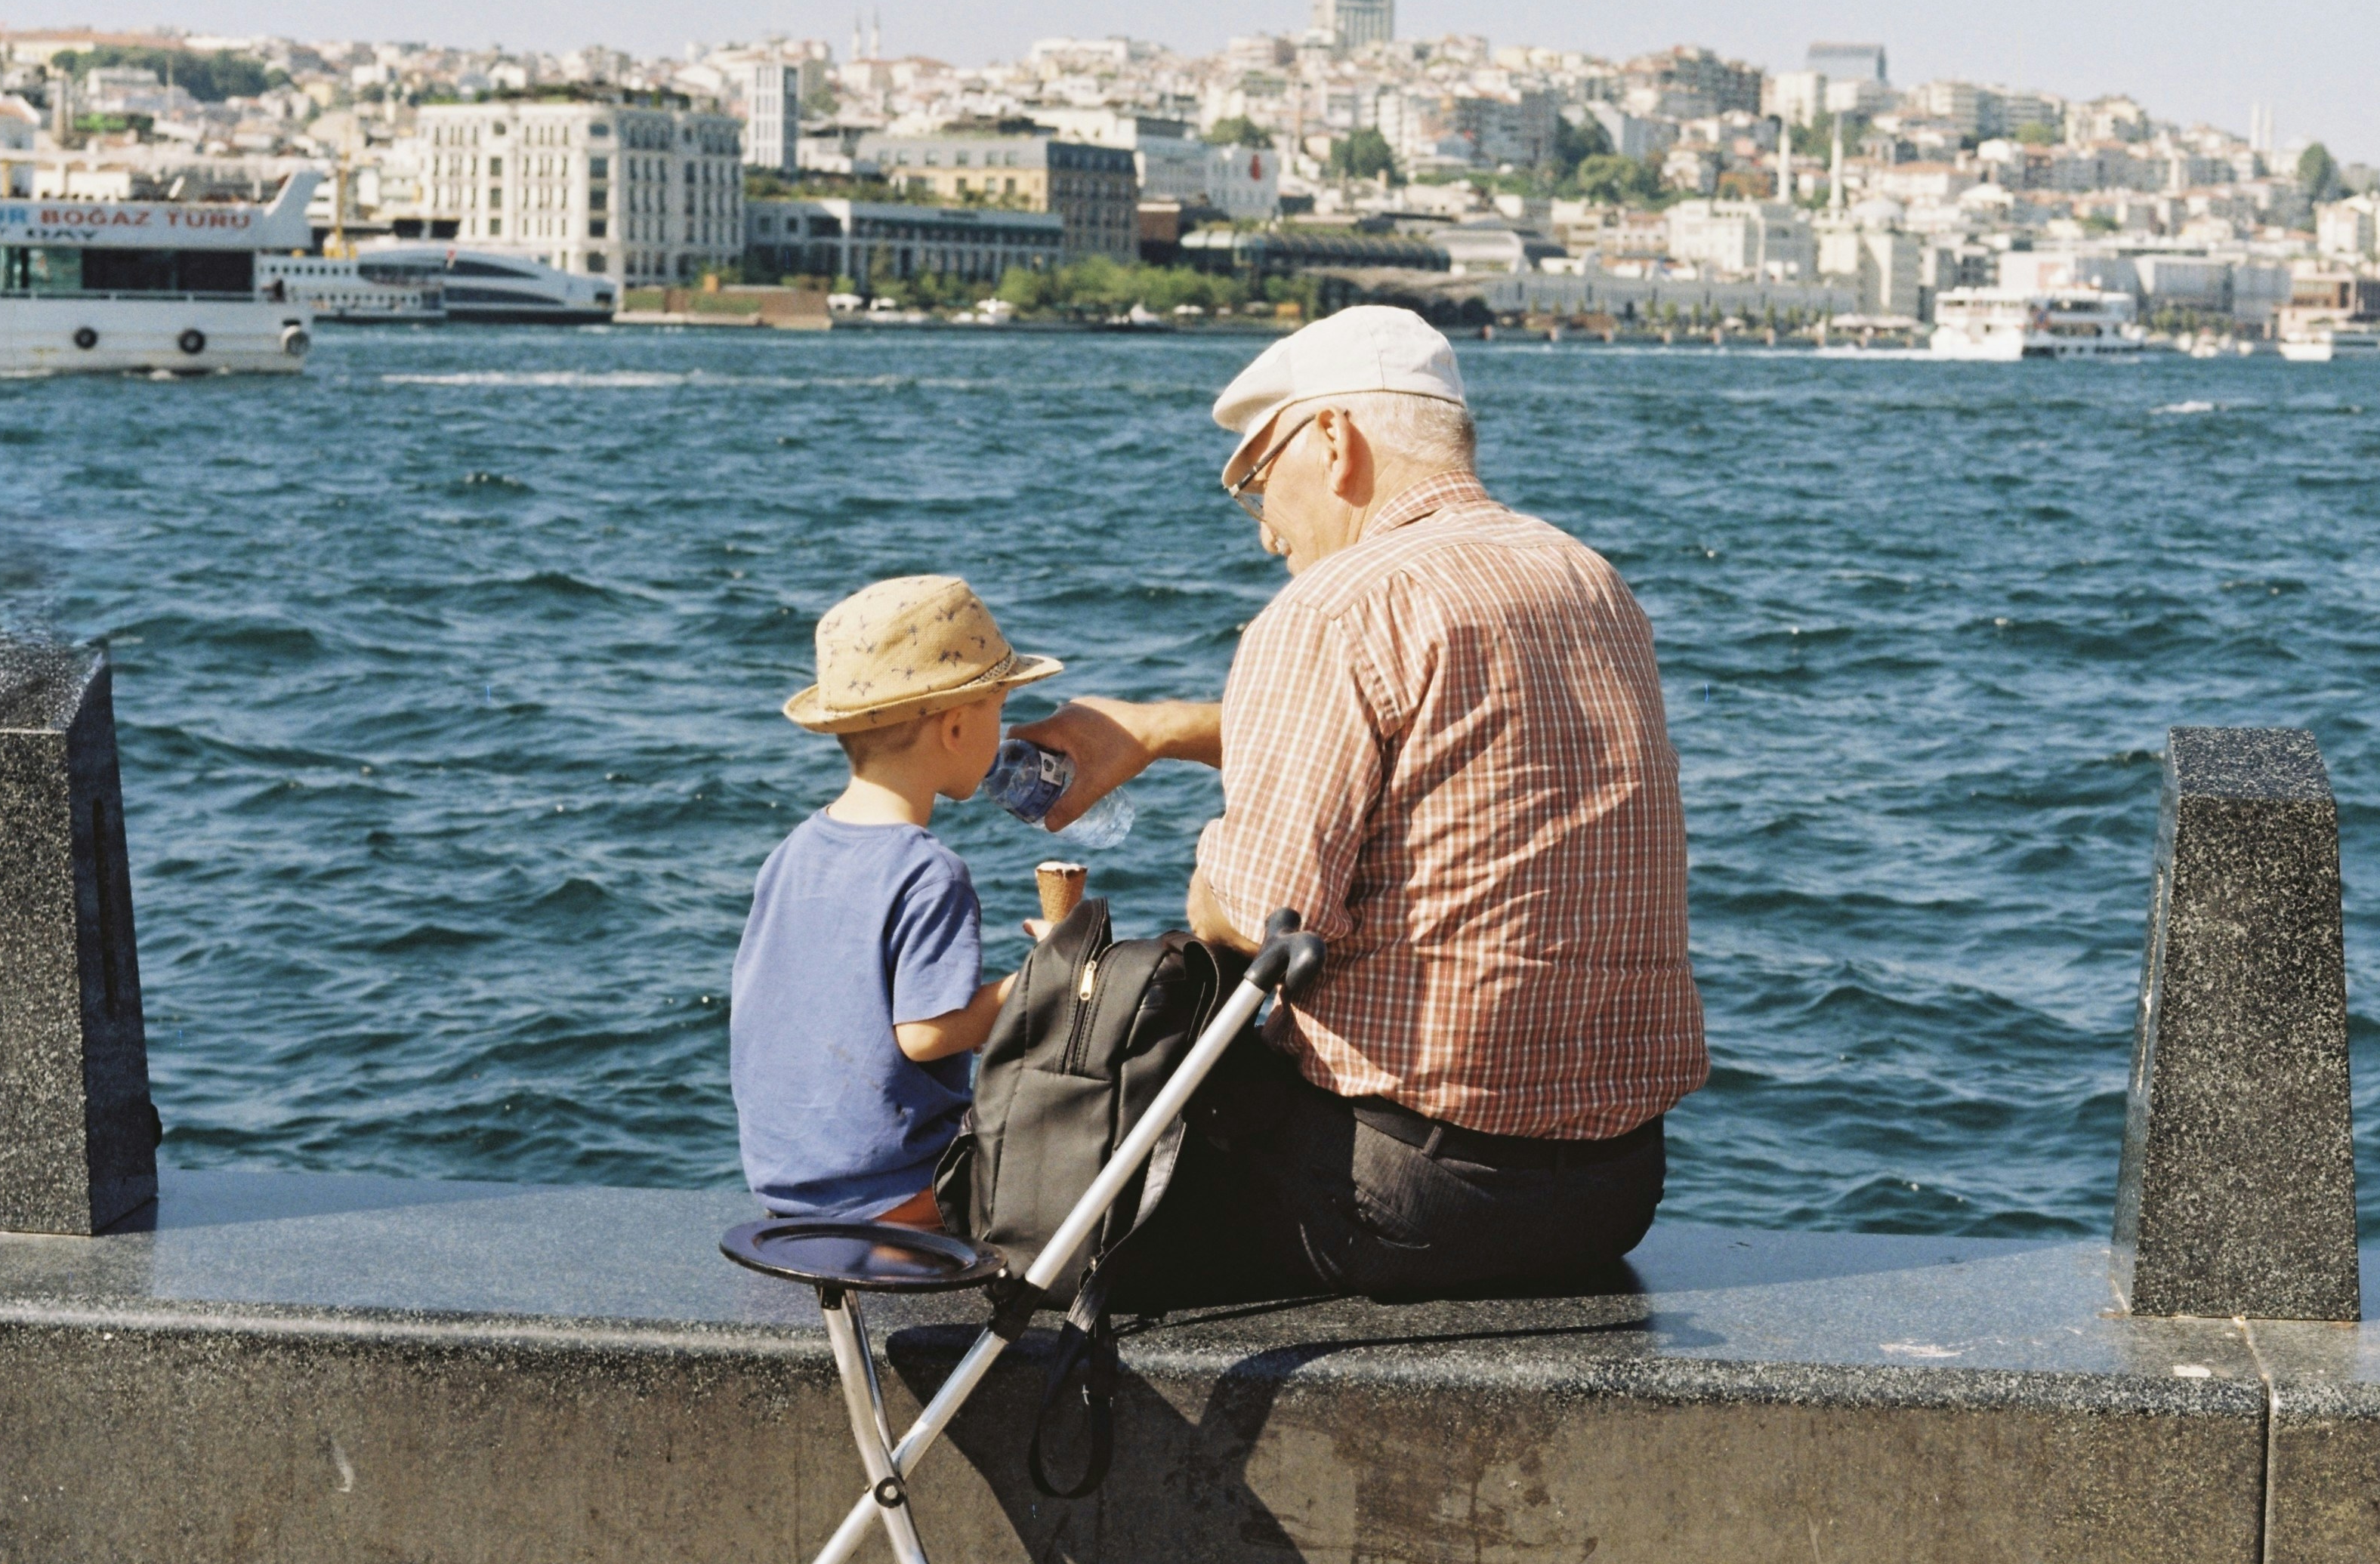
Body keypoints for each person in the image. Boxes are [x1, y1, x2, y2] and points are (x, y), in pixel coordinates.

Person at [1016, 307, 1709, 1300]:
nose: (1263, 528)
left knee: (1047, 1147)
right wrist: (1166, 730)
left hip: (1403, 1201)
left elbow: (1262, 915)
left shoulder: (1335, 606)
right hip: (1614, 1190)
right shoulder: (1589, 582)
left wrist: (1210, 874)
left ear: (1334, 441)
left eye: (1255, 480)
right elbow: (1442, 749)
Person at [730, 575, 1060, 1233]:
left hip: (790, 1184)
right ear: (958, 724)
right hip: (898, 1196)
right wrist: (1046, 974)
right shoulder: (929, 871)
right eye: (1000, 707)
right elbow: (929, 1033)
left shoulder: (793, 851)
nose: (1007, 727)